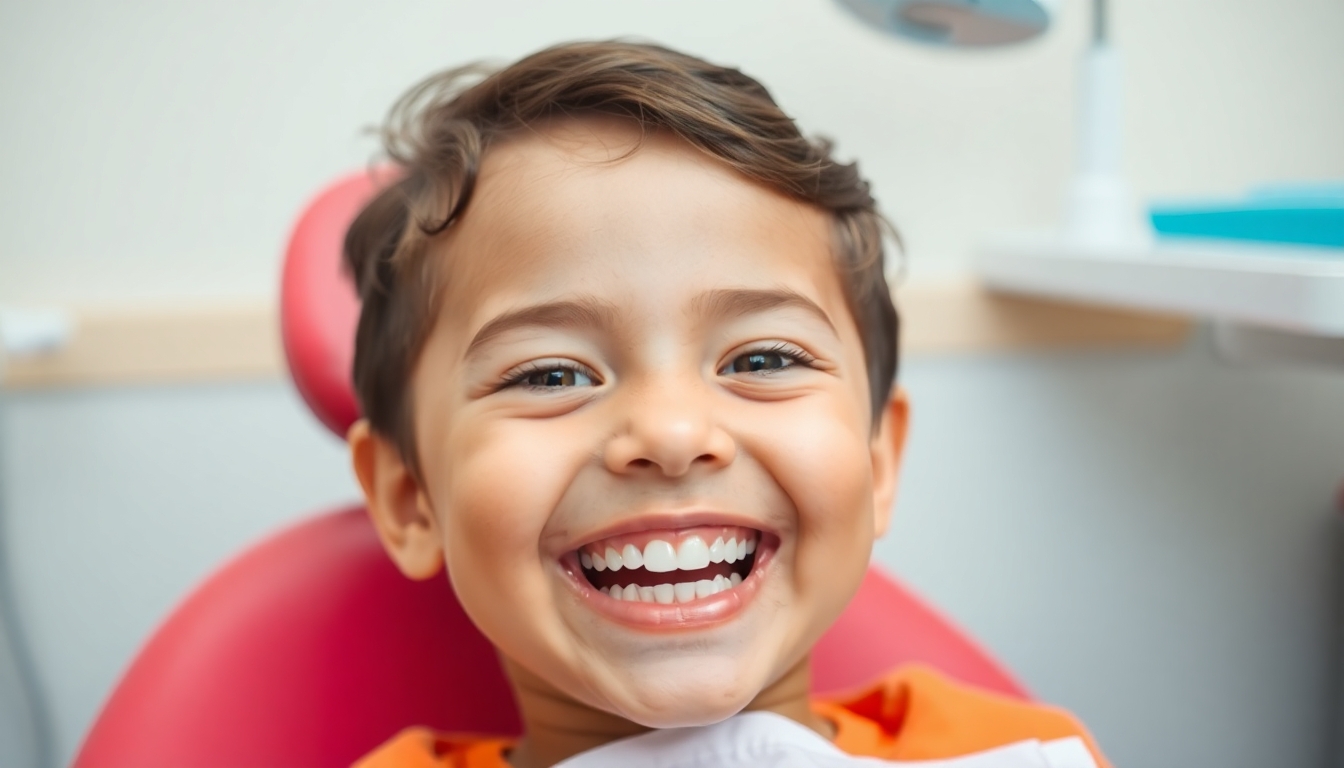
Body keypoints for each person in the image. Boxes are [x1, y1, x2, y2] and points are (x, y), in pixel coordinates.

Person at [344, 40, 1109, 768]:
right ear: (409, 499)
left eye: (763, 360)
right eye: (550, 376)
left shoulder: (1020, 755)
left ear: (877, 463)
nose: (673, 434)